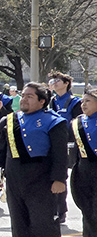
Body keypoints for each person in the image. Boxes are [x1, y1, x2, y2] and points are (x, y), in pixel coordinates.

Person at [0, 82, 67, 237]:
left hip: (40, 178)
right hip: (15, 178)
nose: (23, 99)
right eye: (23, 96)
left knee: (42, 224)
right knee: (19, 225)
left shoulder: (54, 121)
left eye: (29, 96)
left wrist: (59, 179)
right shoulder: (10, 121)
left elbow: (60, 154)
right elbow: (2, 150)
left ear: (42, 101)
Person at [49, 70, 82, 225]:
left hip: (71, 144)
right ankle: (58, 209)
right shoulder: (52, 101)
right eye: (53, 81)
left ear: (66, 84)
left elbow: (79, 123)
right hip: (54, 143)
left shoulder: (75, 102)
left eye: (57, 81)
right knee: (56, 176)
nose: (54, 84)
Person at [70, 87, 97, 237]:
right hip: (84, 170)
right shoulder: (77, 122)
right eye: (82, 100)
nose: (83, 104)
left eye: (88, 101)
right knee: (87, 212)